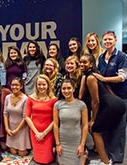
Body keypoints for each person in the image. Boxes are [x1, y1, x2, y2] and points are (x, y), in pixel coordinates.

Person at [79, 53, 125, 165]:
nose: (81, 64)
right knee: (100, 130)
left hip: (112, 106)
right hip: (114, 104)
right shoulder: (89, 75)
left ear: (91, 64)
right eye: (80, 62)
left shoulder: (90, 77)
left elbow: (96, 101)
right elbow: (81, 96)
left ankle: (105, 162)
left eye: (85, 62)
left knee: (95, 129)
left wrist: (93, 119)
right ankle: (104, 158)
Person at [93, 31, 127, 163]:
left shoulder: (122, 56)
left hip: (120, 97)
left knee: (119, 126)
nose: (107, 42)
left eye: (110, 39)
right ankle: (106, 155)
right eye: (105, 40)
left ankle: (116, 157)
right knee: (106, 126)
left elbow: (122, 77)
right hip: (106, 98)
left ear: (115, 40)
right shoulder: (100, 58)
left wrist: (104, 79)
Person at [53, 79, 88, 164]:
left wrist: (82, 145)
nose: (66, 91)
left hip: (76, 141)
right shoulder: (57, 105)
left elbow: (85, 125)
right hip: (63, 141)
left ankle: (85, 155)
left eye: (69, 88)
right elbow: (55, 125)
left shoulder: (81, 105)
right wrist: (57, 144)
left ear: (73, 89)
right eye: (63, 88)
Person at [25, 74, 57, 164]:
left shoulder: (54, 100)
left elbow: (55, 119)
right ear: (36, 85)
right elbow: (27, 116)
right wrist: (36, 133)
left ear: (48, 85)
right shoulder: (31, 98)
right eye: (39, 84)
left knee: (47, 159)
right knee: (37, 159)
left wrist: (44, 133)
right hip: (35, 131)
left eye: (44, 84)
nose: (41, 87)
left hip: (48, 132)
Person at [3, 77, 31, 156]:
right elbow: (5, 113)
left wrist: (17, 130)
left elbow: (25, 117)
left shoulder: (25, 99)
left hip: (21, 128)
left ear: (21, 86)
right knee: (14, 152)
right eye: (12, 85)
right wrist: (6, 128)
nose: (14, 87)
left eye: (17, 85)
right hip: (11, 128)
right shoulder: (7, 97)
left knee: (21, 153)